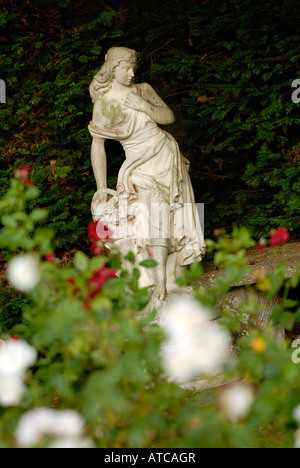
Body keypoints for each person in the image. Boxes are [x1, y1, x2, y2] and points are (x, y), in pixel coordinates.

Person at [88, 47, 205, 309]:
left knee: (182, 214)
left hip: (167, 156)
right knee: (156, 212)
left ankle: (175, 280)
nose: (131, 73)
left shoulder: (143, 90)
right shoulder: (105, 103)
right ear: (113, 69)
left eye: (133, 68)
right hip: (139, 165)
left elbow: (168, 117)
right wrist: (101, 187)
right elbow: (98, 145)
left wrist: (144, 106)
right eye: (125, 68)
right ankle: (159, 286)